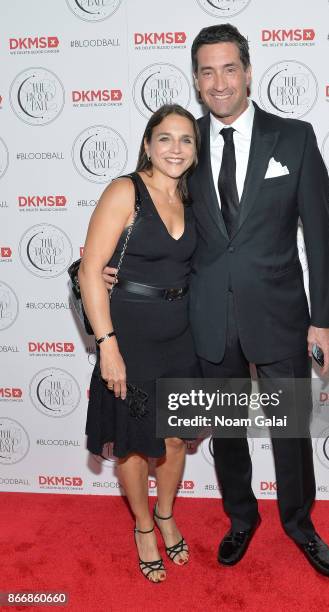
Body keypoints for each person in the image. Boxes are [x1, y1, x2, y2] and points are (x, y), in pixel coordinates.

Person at [104, 24, 329, 577]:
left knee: (291, 429)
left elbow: (321, 236)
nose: (219, 81)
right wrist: (123, 267)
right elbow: (152, 213)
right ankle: (241, 518)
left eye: (229, 68)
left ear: (249, 72)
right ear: (195, 79)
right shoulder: (184, 146)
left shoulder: (295, 138)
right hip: (207, 317)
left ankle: (300, 524)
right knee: (227, 431)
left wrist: (324, 322)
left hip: (281, 313)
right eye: (207, 71)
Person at [79, 104, 200, 583]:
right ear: (148, 144)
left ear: (195, 150)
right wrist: (108, 346)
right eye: (165, 138)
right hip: (131, 337)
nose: (175, 148)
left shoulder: (193, 200)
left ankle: (166, 514)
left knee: (173, 439)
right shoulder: (124, 190)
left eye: (186, 140)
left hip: (182, 336)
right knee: (131, 445)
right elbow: (91, 270)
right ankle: (144, 526)